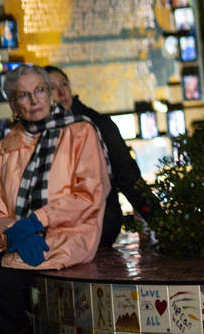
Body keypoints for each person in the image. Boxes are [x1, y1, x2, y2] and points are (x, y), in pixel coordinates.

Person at [0, 64, 110, 334]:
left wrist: (36, 221)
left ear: (50, 95)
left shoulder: (80, 132)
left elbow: (88, 195)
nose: (34, 99)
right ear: (14, 105)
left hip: (67, 233)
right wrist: (14, 231)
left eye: (39, 90)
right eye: (23, 95)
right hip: (18, 240)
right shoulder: (5, 150)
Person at [45, 65, 157, 246]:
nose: (61, 92)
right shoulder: (39, 131)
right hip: (56, 227)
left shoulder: (97, 124)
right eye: (51, 88)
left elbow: (127, 175)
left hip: (100, 222)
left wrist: (158, 219)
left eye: (64, 84)